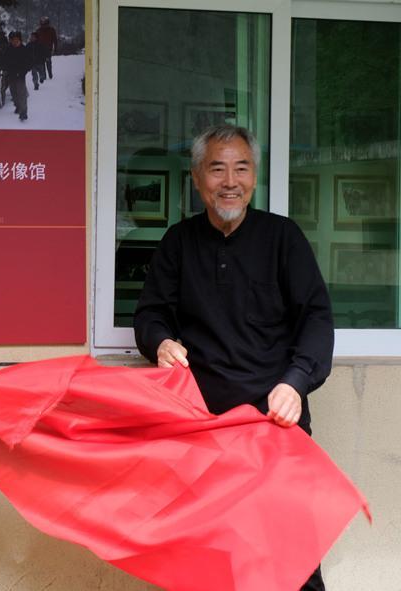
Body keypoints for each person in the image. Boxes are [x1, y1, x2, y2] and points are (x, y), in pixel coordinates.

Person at [133, 124, 333, 591]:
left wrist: (296, 381)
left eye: (241, 168)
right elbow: (150, 314)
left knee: (293, 560)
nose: (230, 182)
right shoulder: (179, 242)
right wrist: (160, 342)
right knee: (207, 561)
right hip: (204, 429)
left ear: (255, 177)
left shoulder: (283, 238)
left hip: (274, 422)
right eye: (217, 169)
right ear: (196, 178)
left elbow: (317, 319)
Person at [2, 31, 33, 121]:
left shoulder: (24, 49)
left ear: (20, 40)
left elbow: (29, 62)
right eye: (13, 40)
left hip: (20, 75)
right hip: (11, 74)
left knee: (21, 93)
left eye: (17, 40)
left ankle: (23, 112)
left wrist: (24, 71)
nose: (15, 42)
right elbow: (4, 60)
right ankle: (18, 106)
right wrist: (5, 68)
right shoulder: (8, 49)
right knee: (14, 93)